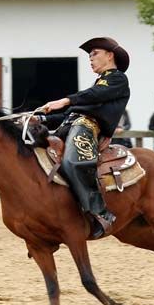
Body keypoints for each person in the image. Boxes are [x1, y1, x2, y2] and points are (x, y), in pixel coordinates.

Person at [40, 37, 130, 239]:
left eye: (94, 54)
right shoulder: (98, 84)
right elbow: (68, 115)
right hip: (71, 125)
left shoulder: (117, 79)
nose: (90, 59)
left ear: (110, 55)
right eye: (89, 56)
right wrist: (39, 118)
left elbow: (94, 95)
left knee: (74, 162)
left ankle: (101, 213)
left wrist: (65, 100)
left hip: (88, 127)